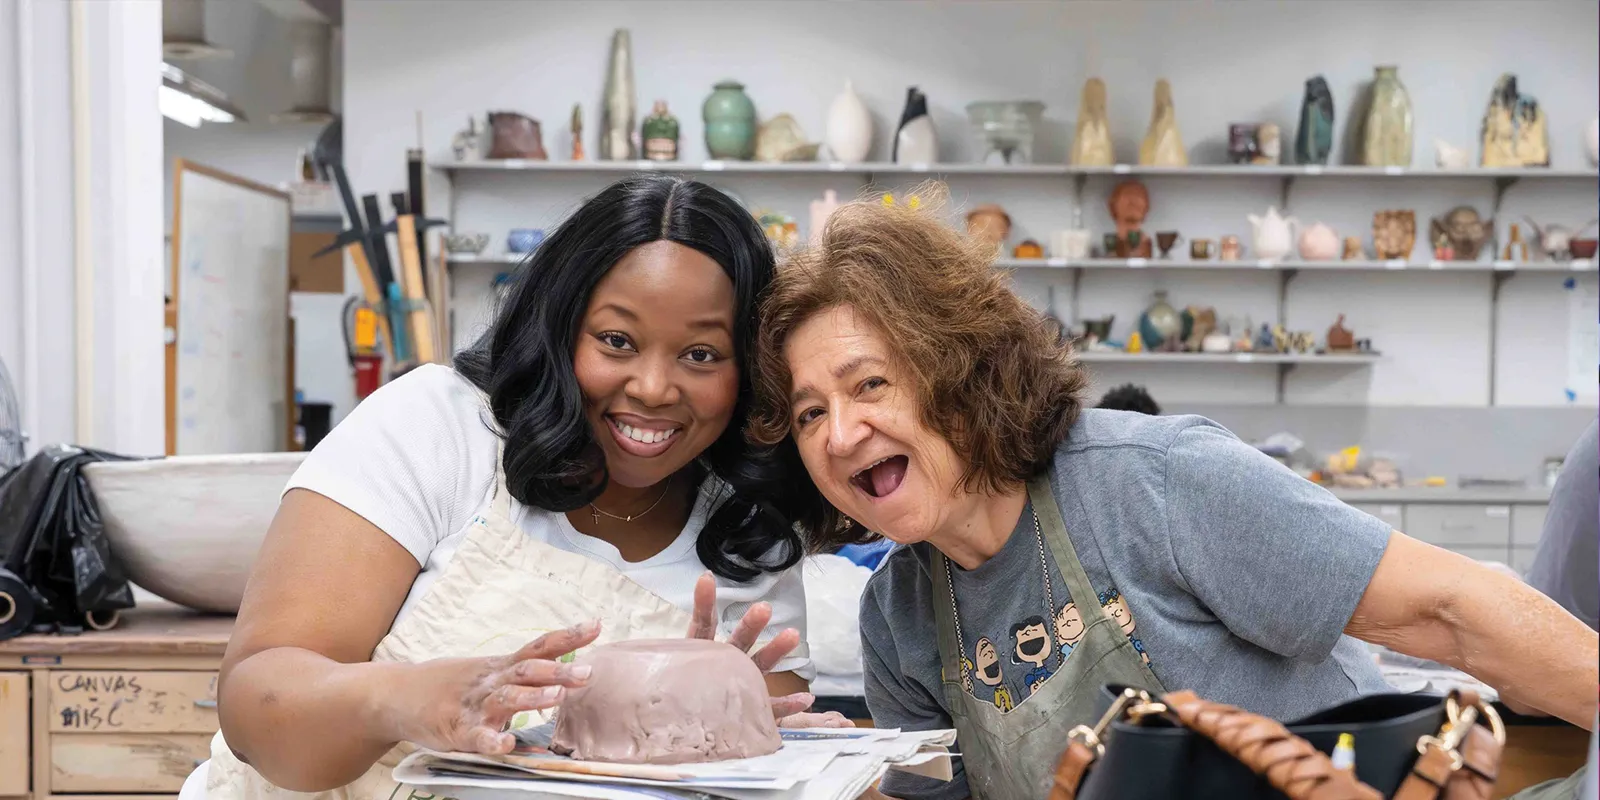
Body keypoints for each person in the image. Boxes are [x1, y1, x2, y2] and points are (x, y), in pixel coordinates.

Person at [748, 189, 1600, 800]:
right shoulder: (898, 619)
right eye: (811, 413)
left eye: (869, 384)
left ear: (959, 370)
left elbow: (1451, 609)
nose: (839, 434)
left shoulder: (1150, 484)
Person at [201, 176, 842, 797]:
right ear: (559, 328)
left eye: (701, 354)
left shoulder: (749, 533)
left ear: (751, 367)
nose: (652, 388)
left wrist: (713, 730)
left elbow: (761, 777)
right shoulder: (441, 428)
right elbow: (259, 707)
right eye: (616, 341)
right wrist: (407, 698)